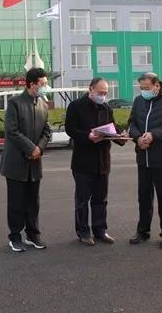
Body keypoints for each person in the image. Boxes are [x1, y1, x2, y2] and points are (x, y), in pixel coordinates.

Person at [65, 77, 127, 246]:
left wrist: (121, 136)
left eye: (105, 93)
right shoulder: (76, 106)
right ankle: (83, 232)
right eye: (100, 92)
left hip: (102, 161)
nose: (103, 96)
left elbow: (112, 127)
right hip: (83, 161)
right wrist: (87, 136)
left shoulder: (106, 108)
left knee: (101, 199)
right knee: (82, 200)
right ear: (91, 89)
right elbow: (70, 129)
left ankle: (100, 230)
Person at [128, 72, 162, 249]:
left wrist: (153, 135)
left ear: (157, 85)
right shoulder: (138, 101)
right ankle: (142, 231)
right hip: (143, 157)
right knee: (144, 197)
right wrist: (138, 138)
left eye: (147, 87)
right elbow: (132, 124)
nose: (143, 91)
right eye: (141, 88)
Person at [0, 68, 52, 252]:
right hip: (16, 162)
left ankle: (33, 234)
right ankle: (15, 236)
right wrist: (31, 148)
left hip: (34, 162)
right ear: (31, 84)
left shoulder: (43, 104)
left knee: (33, 202)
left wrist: (39, 148)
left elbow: (47, 131)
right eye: (43, 84)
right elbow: (12, 131)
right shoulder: (15, 103)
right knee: (16, 202)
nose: (45, 87)